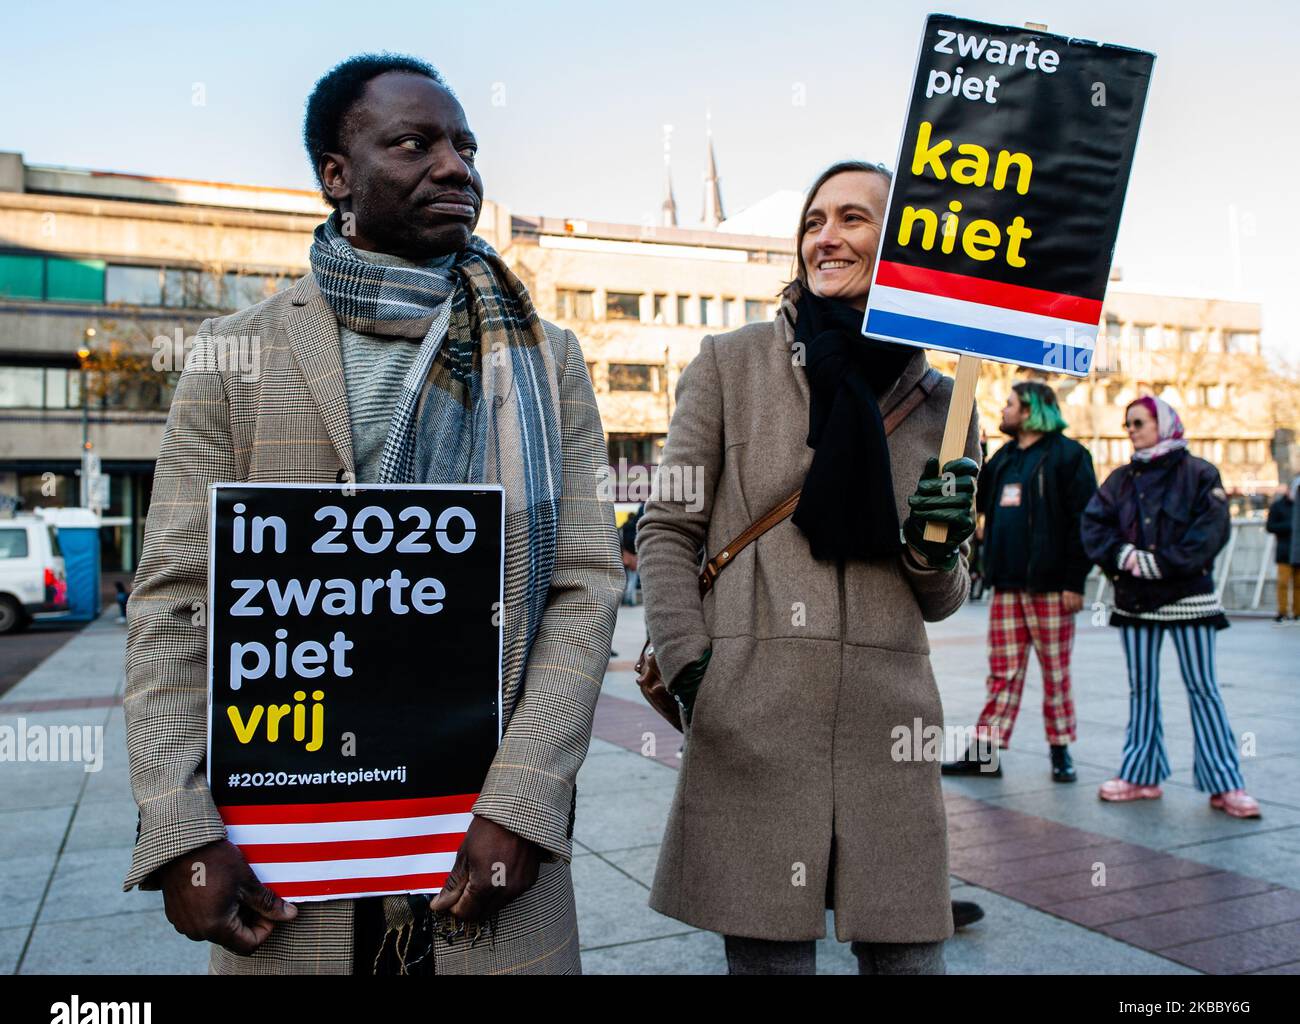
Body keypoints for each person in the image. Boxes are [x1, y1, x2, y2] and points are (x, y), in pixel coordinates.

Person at [122, 53, 623, 975]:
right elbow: (176, 606)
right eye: (414, 142)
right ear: (336, 175)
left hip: (490, 875)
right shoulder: (235, 353)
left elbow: (585, 586)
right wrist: (181, 827)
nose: (456, 167)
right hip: (288, 892)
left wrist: (521, 804)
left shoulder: (545, 358)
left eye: (466, 146)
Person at [636, 160, 981, 975]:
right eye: (814, 221)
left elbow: (945, 594)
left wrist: (933, 552)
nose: (826, 237)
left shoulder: (947, 404)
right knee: (769, 964)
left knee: (910, 961)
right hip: (753, 713)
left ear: (902, 242)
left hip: (889, 726)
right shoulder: (732, 362)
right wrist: (694, 672)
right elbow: (667, 527)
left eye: (854, 219)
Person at [1081, 395, 1259, 818]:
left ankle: (1226, 783)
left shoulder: (1199, 472)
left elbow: (1213, 530)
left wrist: (1160, 564)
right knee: (1142, 688)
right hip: (1137, 601)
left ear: (1163, 423)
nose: (1131, 430)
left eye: (1138, 422)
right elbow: (1092, 524)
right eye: (1127, 424)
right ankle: (1141, 775)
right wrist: (1123, 557)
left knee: (1204, 689)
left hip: (1190, 599)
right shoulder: (1120, 479)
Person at [942, 382, 1097, 784]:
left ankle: (1061, 750)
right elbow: (975, 500)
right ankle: (985, 754)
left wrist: (1074, 581)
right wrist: (971, 451)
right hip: (1007, 585)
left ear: (1030, 410)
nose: (1004, 410)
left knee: (1055, 672)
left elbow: (1086, 524)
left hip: (1052, 586)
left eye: (1010, 404)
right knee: (1002, 672)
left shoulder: (1070, 456)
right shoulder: (1005, 459)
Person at [1265, 481, 1298, 623]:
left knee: (1299, 584)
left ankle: (1297, 612)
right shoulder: (1278, 506)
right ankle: (1282, 612)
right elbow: (1270, 526)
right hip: (1284, 550)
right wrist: (1291, 527)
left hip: (1297, 550)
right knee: (1283, 583)